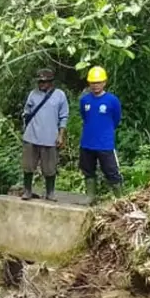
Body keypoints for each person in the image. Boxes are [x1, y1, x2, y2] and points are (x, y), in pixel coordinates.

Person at [20, 68, 68, 201]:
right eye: (40, 82)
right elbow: (27, 112)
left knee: (50, 168)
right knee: (28, 166)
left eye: (44, 82)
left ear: (51, 82)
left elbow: (63, 116)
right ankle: (27, 191)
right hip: (31, 136)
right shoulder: (33, 94)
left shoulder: (60, 95)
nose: (41, 84)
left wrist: (60, 135)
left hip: (50, 137)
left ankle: (50, 192)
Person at [78, 66, 122, 203]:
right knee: (88, 171)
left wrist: (106, 131)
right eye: (93, 82)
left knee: (111, 172)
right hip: (87, 142)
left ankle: (120, 199)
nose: (95, 85)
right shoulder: (85, 100)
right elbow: (85, 117)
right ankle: (90, 196)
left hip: (105, 143)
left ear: (104, 82)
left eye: (98, 82)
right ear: (89, 83)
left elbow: (116, 118)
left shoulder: (112, 100)